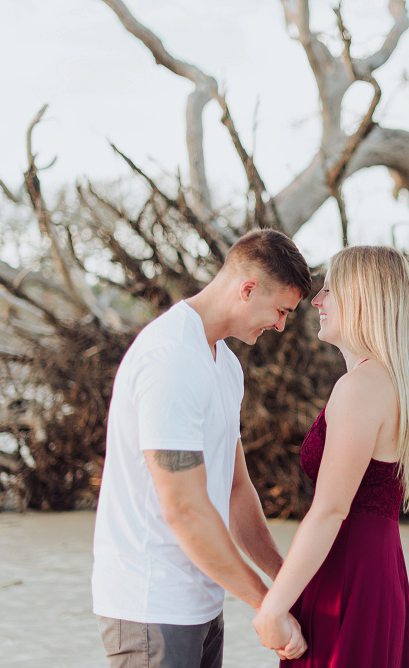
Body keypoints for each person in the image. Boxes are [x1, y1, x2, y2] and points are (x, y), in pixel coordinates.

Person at [92, 229, 312, 667]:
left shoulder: (225, 365)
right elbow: (184, 509)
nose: (281, 325)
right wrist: (265, 604)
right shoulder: (170, 359)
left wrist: (287, 584)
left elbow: (235, 490)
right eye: (281, 310)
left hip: (203, 604)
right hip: (151, 606)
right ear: (247, 289)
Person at [253, 245, 409, 667]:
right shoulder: (388, 382)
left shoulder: (361, 387)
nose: (316, 301)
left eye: (329, 290)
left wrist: (273, 609)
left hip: (348, 571)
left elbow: (330, 511)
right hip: (374, 568)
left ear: (362, 299)